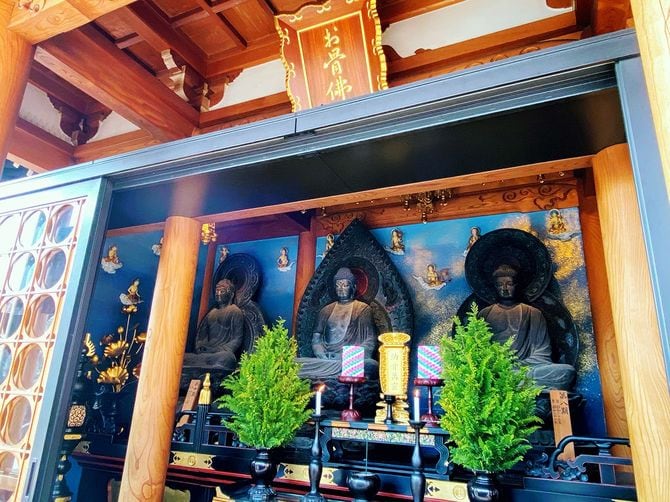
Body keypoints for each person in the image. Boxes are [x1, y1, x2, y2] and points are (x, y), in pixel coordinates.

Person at [479, 264, 575, 390]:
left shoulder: (533, 313)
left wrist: (516, 366)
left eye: (509, 284)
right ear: (494, 287)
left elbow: (542, 354)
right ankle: (516, 385)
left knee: (566, 371)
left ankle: (512, 384)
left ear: (517, 285)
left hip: (525, 370)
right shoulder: (484, 314)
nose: (504, 288)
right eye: (500, 284)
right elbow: (478, 354)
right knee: (478, 377)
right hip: (494, 372)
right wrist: (496, 367)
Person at [297, 267, 378, 380]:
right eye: (338, 285)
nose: (341, 288)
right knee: (295, 364)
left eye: (345, 285)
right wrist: (321, 353)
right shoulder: (326, 310)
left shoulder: (362, 309)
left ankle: (333, 373)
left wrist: (345, 356)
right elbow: (316, 337)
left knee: (370, 365)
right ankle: (335, 373)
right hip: (327, 360)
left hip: (350, 360)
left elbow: (370, 341)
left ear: (353, 287)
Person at [183, 279, 244, 371]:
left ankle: (205, 364)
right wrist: (201, 347)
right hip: (206, 353)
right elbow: (201, 336)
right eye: (217, 291)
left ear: (231, 294)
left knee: (227, 358)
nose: (218, 294)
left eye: (222, 291)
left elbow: (237, 339)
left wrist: (218, 349)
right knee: (183, 357)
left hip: (220, 353)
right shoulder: (211, 313)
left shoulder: (234, 311)